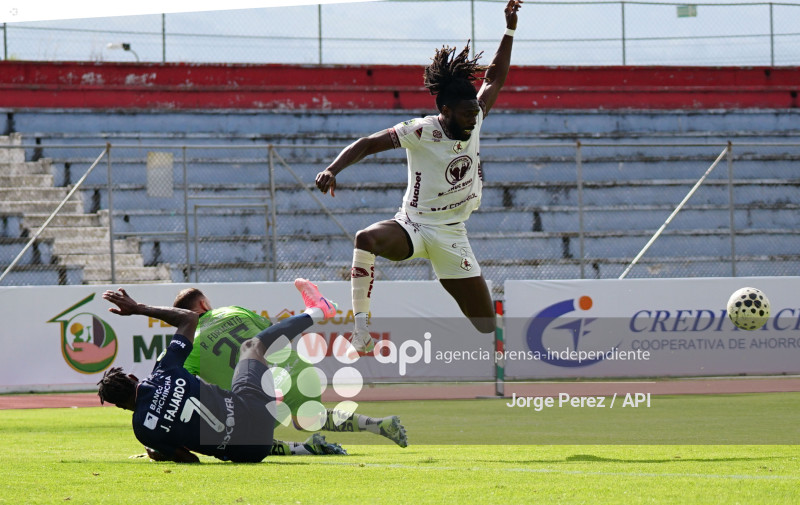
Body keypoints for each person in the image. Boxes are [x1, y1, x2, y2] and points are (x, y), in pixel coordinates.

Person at [315, 0, 522, 352]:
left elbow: (494, 78)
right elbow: (367, 143)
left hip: (452, 232)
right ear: (444, 110)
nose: (474, 119)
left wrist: (510, 29)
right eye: (466, 113)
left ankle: (448, 274)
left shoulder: (476, 117)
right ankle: (361, 331)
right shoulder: (420, 130)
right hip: (413, 224)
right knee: (366, 239)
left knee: (486, 325)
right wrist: (333, 169)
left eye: (475, 112)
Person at [96, 280, 340, 463]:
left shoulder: (142, 430)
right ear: (131, 377)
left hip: (251, 452)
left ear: (119, 405)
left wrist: (157, 451)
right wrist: (138, 308)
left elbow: (190, 459)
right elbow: (189, 319)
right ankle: (318, 310)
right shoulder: (165, 372)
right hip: (257, 412)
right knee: (252, 346)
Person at [176, 278, 407, 449]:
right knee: (308, 418)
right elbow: (270, 331)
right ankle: (378, 424)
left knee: (240, 437)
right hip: (298, 369)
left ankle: (301, 449)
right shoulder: (233, 311)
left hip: (261, 395)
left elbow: (180, 381)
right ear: (205, 304)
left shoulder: (191, 344)